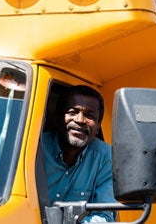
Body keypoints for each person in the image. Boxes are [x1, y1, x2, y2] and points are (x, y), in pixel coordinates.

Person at [42, 85, 115, 222]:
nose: (80, 120)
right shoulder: (36, 148)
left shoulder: (106, 158)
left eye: (89, 115)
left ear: (98, 125)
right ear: (58, 117)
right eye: (72, 112)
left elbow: (105, 217)